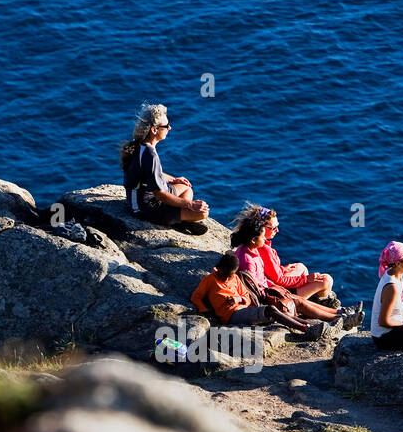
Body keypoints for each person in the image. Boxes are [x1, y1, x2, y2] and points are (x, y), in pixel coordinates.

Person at [230, 205, 363, 330]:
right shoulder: (249, 259)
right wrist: (301, 282)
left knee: (299, 295)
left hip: (272, 290)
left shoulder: (252, 252)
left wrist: (281, 277)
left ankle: (342, 312)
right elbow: (256, 288)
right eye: (264, 234)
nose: (266, 239)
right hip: (268, 298)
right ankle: (340, 319)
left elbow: (263, 278)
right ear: (254, 239)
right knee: (300, 302)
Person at [191, 252, 328, 339]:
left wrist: (238, 299)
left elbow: (246, 297)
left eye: (230, 276)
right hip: (230, 316)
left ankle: (311, 326)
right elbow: (196, 297)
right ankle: (305, 329)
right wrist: (205, 311)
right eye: (225, 275)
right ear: (219, 268)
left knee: (277, 311)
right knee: (271, 310)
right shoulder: (209, 280)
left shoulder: (235, 279)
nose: (227, 279)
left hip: (243, 310)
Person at [120, 103, 209, 233]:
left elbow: (152, 173)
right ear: (154, 130)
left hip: (143, 199)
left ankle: (177, 218)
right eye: (166, 126)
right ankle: (176, 220)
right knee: (202, 214)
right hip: (145, 208)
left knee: (186, 188)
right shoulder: (150, 155)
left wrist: (173, 179)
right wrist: (190, 205)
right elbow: (159, 195)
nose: (169, 128)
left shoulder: (138, 145)